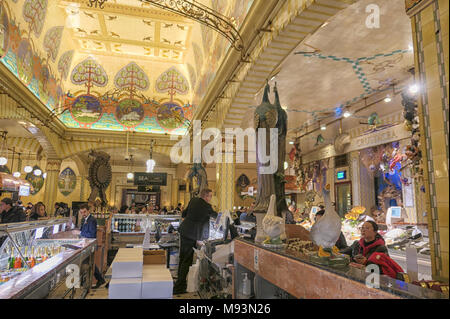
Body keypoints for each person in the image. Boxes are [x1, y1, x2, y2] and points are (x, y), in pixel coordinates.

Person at [173, 189, 218, 295]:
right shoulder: (207, 207)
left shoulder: (193, 200)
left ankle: (179, 283)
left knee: (183, 258)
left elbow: (184, 213)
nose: (210, 198)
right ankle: (180, 287)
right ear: (206, 196)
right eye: (210, 196)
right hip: (192, 234)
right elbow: (217, 217)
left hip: (184, 231)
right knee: (187, 260)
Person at [77, 203, 106, 289]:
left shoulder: (92, 220)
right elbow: (83, 231)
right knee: (90, 262)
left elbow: (92, 234)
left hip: (91, 244)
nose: (83, 214)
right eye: (81, 212)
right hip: (85, 244)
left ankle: (98, 280)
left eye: (84, 212)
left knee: (90, 262)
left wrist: (80, 233)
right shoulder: (83, 219)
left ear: (88, 211)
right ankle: (98, 280)